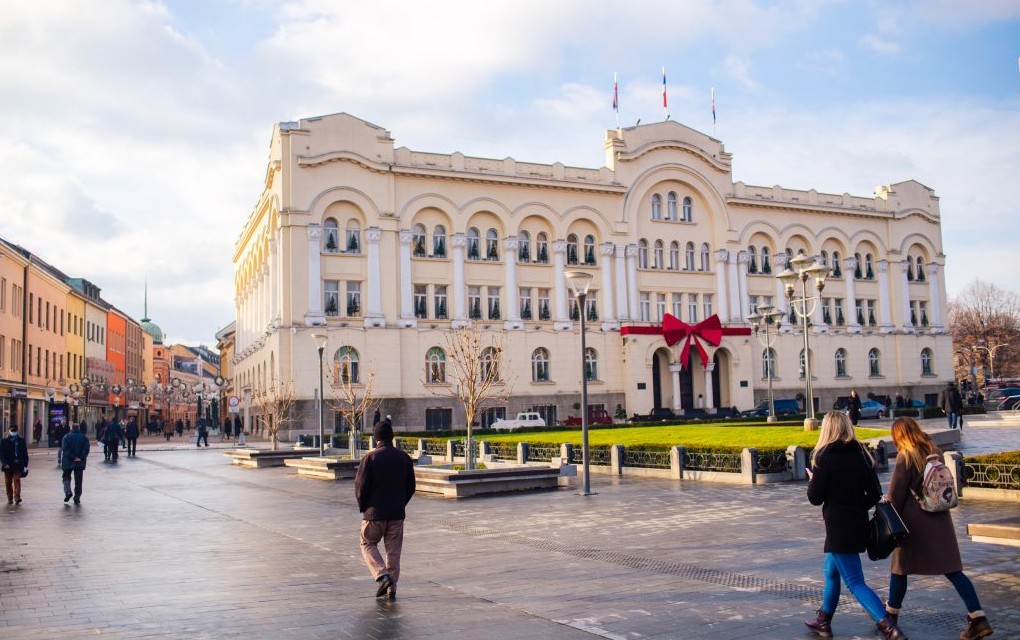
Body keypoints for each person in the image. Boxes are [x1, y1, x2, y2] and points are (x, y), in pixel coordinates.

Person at [884, 417, 993, 639]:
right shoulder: (934, 450)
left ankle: (889, 619)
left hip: (914, 525)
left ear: (899, 435)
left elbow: (896, 495)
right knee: (953, 570)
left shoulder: (907, 455)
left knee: (900, 568)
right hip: (940, 520)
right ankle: (978, 617)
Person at [805, 411, 905, 639]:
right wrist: (855, 504)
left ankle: (888, 627)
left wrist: (813, 481)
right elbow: (874, 493)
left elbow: (815, 498)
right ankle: (823, 620)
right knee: (831, 571)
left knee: (855, 581)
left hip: (838, 527)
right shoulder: (860, 453)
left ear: (827, 429)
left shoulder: (824, 456)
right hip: (858, 523)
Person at [354, 418, 415, 601]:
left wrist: (364, 507)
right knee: (393, 553)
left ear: (376, 439)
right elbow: (410, 486)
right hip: (396, 514)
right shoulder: (404, 458)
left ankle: (382, 575)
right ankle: (391, 589)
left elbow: (360, 487)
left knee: (367, 543)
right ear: (392, 437)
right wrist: (400, 503)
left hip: (374, 514)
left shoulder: (370, 458)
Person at [61, 421, 91, 504]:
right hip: (79, 462)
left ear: (71, 428)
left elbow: (65, 450)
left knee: (66, 476)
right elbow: (86, 449)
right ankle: (77, 496)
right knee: (78, 480)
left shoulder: (66, 437)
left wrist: (73, 457)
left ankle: (67, 491)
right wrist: (80, 457)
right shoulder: (84, 437)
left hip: (68, 461)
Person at [1, 424, 29, 505]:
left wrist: (25, 464)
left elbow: (24, 452)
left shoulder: (21, 440)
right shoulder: (4, 440)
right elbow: (2, 454)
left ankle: (17, 497)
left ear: (17, 431)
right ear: (9, 431)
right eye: (12, 431)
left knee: (17, 480)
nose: (13, 432)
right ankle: (9, 497)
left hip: (18, 464)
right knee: (8, 482)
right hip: (8, 465)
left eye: (15, 431)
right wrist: (5, 463)